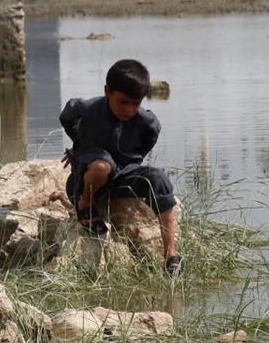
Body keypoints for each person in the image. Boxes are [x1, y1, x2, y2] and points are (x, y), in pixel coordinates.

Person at [60, 59, 183, 276]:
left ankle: (170, 254)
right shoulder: (89, 108)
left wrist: (134, 158)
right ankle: (86, 203)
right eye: (123, 102)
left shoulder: (144, 119)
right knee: (102, 166)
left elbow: (152, 133)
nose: (129, 109)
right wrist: (80, 147)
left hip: (124, 175)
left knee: (159, 179)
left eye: (135, 104)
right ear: (107, 91)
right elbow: (67, 115)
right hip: (89, 177)